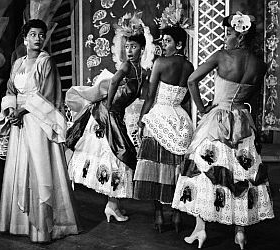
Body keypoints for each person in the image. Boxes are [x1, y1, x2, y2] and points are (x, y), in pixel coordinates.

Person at [172, 12, 274, 249]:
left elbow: (191, 80)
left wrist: (201, 108)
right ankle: (240, 233)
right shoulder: (260, 64)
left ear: (239, 36)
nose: (224, 38)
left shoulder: (222, 56)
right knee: (242, 171)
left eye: (228, 34)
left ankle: (200, 229)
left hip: (217, 119)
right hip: (243, 120)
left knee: (204, 167)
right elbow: (255, 99)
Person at [0, 19, 81, 243]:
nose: (38, 38)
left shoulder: (46, 61)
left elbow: (47, 94)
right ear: (25, 38)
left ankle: (41, 228)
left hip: (38, 122)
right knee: (19, 167)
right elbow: (10, 89)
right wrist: (11, 109)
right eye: (33, 34)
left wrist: (22, 111)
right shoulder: (18, 63)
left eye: (41, 35)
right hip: (19, 123)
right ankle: (18, 223)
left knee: (39, 167)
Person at [65, 13, 154, 223]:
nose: (129, 50)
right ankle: (110, 204)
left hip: (116, 113)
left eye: (133, 47)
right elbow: (113, 83)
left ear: (142, 49)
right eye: (128, 46)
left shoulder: (141, 71)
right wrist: (109, 105)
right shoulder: (125, 66)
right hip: (106, 113)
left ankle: (112, 205)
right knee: (118, 153)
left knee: (116, 156)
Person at [133, 14, 194, 233]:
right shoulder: (189, 66)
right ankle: (176, 215)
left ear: (178, 44)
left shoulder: (160, 63)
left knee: (156, 167)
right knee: (175, 168)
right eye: (162, 41)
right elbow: (187, 96)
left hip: (158, 116)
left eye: (167, 41)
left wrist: (142, 120)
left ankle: (159, 215)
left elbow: (150, 97)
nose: (163, 45)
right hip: (180, 118)